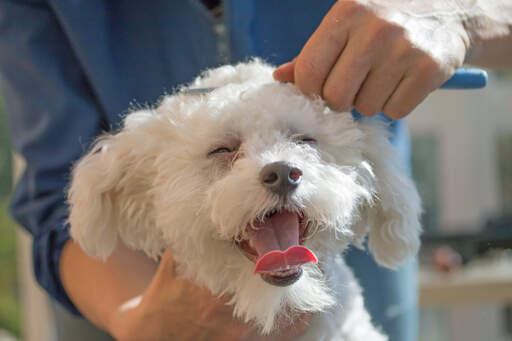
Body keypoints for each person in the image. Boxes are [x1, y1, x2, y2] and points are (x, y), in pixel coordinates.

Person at [0, 0, 510, 340]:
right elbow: (55, 193)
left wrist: (458, 14)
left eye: (305, 142)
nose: (281, 169)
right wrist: (139, 322)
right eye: (225, 154)